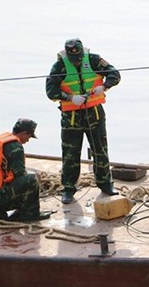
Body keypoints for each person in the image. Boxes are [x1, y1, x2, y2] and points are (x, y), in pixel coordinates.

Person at [46, 38, 121, 204]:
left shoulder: (94, 60)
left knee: (100, 150)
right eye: (74, 58)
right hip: (71, 117)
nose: (77, 61)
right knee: (70, 154)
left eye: (78, 57)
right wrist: (70, 97)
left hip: (94, 113)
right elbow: (50, 91)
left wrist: (105, 86)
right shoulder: (59, 66)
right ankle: (68, 189)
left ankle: (105, 184)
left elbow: (115, 74)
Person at [0, 119, 51, 222]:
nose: (28, 140)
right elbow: (19, 174)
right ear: (24, 133)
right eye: (29, 136)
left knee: (23, 181)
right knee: (33, 179)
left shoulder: (2, 142)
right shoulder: (16, 147)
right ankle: (30, 214)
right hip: (2, 198)